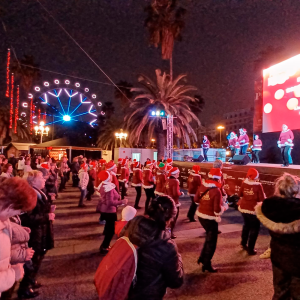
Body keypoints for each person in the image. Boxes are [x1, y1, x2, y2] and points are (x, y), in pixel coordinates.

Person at [120, 196, 184, 300]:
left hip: (125, 285)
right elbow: (176, 281)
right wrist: (178, 257)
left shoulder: (134, 222)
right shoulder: (167, 245)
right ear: (169, 219)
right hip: (149, 294)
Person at [256, 173, 300, 299]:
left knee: (280, 292)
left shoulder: (270, 208)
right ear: (296, 191)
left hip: (279, 258)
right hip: (297, 262)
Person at [19, 171, 55, 299]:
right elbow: (27, 219)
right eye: (41, 177)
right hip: (35, 233)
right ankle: (24, 288)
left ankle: (31, 281)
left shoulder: (38, 192)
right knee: (33, 259)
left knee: (38, 258)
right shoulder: (30, 195)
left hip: (41, 232)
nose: (44, 179)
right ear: (33, 181)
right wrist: (47, 216)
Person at [0, 177, 37, 297]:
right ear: (11, 205)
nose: (18, 214)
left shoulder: (4, 220)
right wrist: (12, 274)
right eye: (20, 210)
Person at [194, 168, 226, 272]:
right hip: (210, 218)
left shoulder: (203, 185)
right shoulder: (216, 190)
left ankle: (203, 258)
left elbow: (195, 199)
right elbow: (217, 210)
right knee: (211, 242)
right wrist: (225, 207)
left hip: (201, 215)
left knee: (208, 238)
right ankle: (206, 263)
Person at [98, 170, 127, 255]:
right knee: (111, 231)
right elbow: (110, 202)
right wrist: (122, 202)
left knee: (108, 228)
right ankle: (104, 246)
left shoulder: (104, 185)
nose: (111, 176)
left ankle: (104, 245)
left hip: (105, 210)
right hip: (109, 211)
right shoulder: (109, 189)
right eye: (109, 175)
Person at [238, 168, 265, 255]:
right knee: (254, 228)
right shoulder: (258, 185)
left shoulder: (244, 183)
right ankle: (251, 249)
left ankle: (243, 243)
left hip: (243, 208)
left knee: (246, 225)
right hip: (253, 210)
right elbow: (262, 199)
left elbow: (240, 194)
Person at [165, 167, 183, 239]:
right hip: (174, 202)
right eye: (178, 173)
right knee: (173, 219)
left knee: (167, 218)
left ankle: (166, 232)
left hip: (167, 201)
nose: (179, 174)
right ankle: (171, 233)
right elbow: (175, 193)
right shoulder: (175, 181)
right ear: (175, 174)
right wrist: (181, 193)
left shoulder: (167, 180)